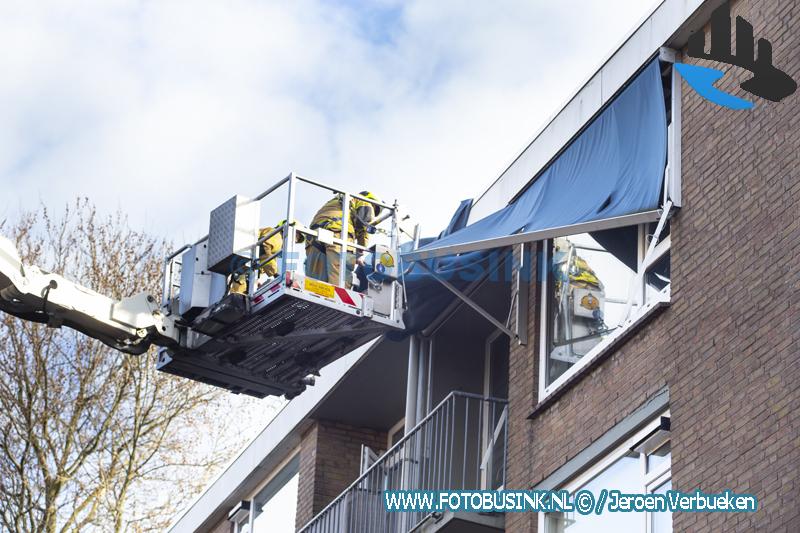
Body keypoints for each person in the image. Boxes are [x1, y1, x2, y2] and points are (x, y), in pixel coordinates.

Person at [305, 191, 382, 287]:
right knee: (341, 274)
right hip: (337, 233)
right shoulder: (365, 201)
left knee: (316, 281)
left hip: (313, 237)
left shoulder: (337, 201)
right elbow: (364, 225)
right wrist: (360, 252)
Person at [229, 224, 286, 295]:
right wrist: (275, 274)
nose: (295, 239)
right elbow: (264, 248)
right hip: (244, 265)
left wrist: (256, 281)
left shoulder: (277, 244)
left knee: (239, 295)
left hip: (244, 267)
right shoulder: (278, 236)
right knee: (239, 296)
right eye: (296, 235)